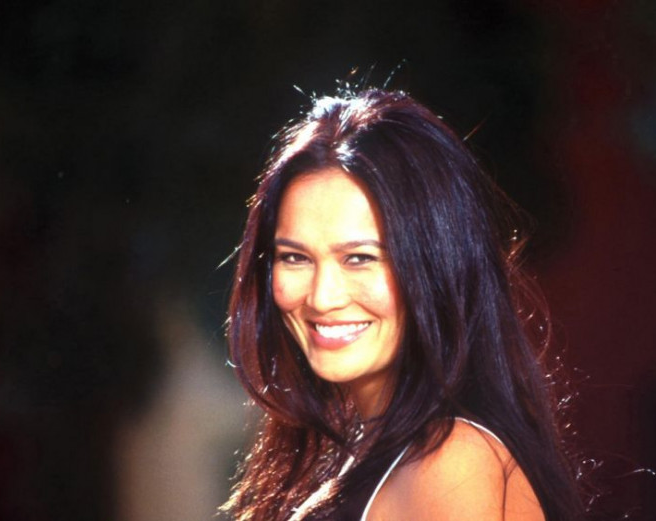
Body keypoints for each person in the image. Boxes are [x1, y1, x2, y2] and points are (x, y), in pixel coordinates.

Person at [222, 88, 584, 520]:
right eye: (295, 258)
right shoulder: (368, 452)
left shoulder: (451, 461)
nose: (322, 297)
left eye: (360, 258)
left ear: (437, 265)